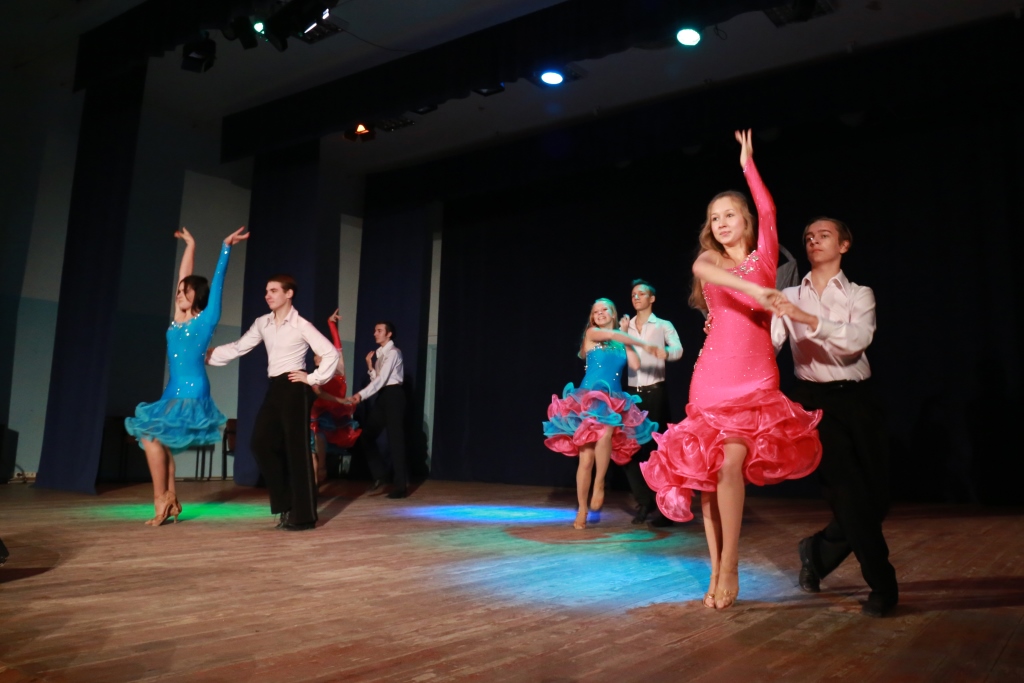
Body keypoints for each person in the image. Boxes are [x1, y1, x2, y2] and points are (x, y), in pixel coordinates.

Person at [641, 131, 822, 610]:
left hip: (756, 378)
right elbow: (706, 273)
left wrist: (748, 165)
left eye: (729, 215)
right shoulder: (710, 259)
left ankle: (731, 566)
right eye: (714, 217)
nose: (721, 223)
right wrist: (758, 293)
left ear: (745, 221)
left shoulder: (765, 256)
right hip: (711, 378)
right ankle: (716, 565)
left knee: (731, 467)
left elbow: (769, 210)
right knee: (709, 476)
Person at [772, 217, 899, 617]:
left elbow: (857, 342)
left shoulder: (860, 294)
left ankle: (817, 552)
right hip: (815, 403)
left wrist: (808, 319)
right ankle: (883, 585)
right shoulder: (789, 295)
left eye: (824, 235)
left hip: (860, 399)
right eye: (809, 237)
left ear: (844, 245)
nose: (814, 241)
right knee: (848, 494)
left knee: (876, 502)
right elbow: (768, 343)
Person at [126, 226, 247, 526]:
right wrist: (190, 245)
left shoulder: (206, 319)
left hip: (192, 390)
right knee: (160, 442)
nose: (179, 294)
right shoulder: (177, 319)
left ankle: (162, 499)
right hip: (172, 390)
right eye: (179, 291)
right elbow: (184, 276)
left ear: (197, 296)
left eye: (185, 291)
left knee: (150, 436)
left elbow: (217, 283)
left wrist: (226, 247)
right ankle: (170, 500)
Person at [207, 275, 338, 531]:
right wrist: (208, 356)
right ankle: (286, 504)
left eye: (274, 290)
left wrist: (312, 378)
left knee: (297, 451)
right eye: (266, 291)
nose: (268, 295)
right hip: (275, 387)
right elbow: (239, 347)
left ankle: (303, 517)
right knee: (261, 443)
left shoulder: (301, 325)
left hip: (295, 387)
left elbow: (330, 353)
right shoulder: (262, 323)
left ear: (289, 294)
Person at [544, 298, 666, 530]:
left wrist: (627, 338)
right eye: (595, 311)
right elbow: (612, 335)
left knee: (606, 434)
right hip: (588, 398)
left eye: (604, 310)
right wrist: (634, 339)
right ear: (592, 317)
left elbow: (635, 364)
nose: (600, 313)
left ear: (613, 313)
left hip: (613, 399)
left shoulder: (621, 340)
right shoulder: (592, 334)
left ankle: (599, 484)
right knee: (586, 459)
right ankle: (582, 508)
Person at [619, 279, 683, 525]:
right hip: (632, 394)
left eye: (641, 294)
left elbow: (678, 349)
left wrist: (666, 353)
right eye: (633, 294)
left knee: (658, 449)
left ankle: (666, 505)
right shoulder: (626, 326)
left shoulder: (663, 325)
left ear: (652, 298)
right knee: (630, 449)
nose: (636, 297)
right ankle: (644, 501)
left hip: (655, 392)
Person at [341, 321, 408, 499]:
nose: (375, 333)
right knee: (366, 436)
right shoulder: (379, 355)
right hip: (384, 396)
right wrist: (371, 367)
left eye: (379, 330)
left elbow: (383, 379)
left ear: (389, 334)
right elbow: (378, 379)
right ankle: (381, 475)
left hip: (394, 396)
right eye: (375, 330)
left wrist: (361, 395)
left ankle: (400, 486)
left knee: (395, 440)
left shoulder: (394, 353)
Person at [309, 308, 361, 485]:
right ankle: (314, 481)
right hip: (316, 411)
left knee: (320, 437)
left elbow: (338, 347)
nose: (315, 357)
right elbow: (318, 392)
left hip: (330, 412)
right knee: (312, 443)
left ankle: (322, 468)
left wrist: (331, 324)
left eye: (318, 354)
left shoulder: (337, 369)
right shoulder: (315, 376)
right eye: (315, 355)